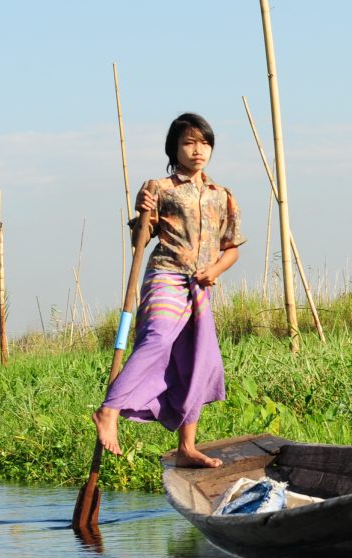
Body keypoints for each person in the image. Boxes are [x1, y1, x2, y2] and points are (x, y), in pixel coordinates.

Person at [93, 112, 245, 468]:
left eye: (204, 143)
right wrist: (144, 216)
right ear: (174, 149)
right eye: (189, 143)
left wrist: (215, 270)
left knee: (196, 361)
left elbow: (232, 248)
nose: (198, 150)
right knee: (158, 339)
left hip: (200, 285)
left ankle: (186, 447)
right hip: (166, 275)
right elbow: (139, 241)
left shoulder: (222, 195)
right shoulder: (158, 189)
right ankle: (109, 410)